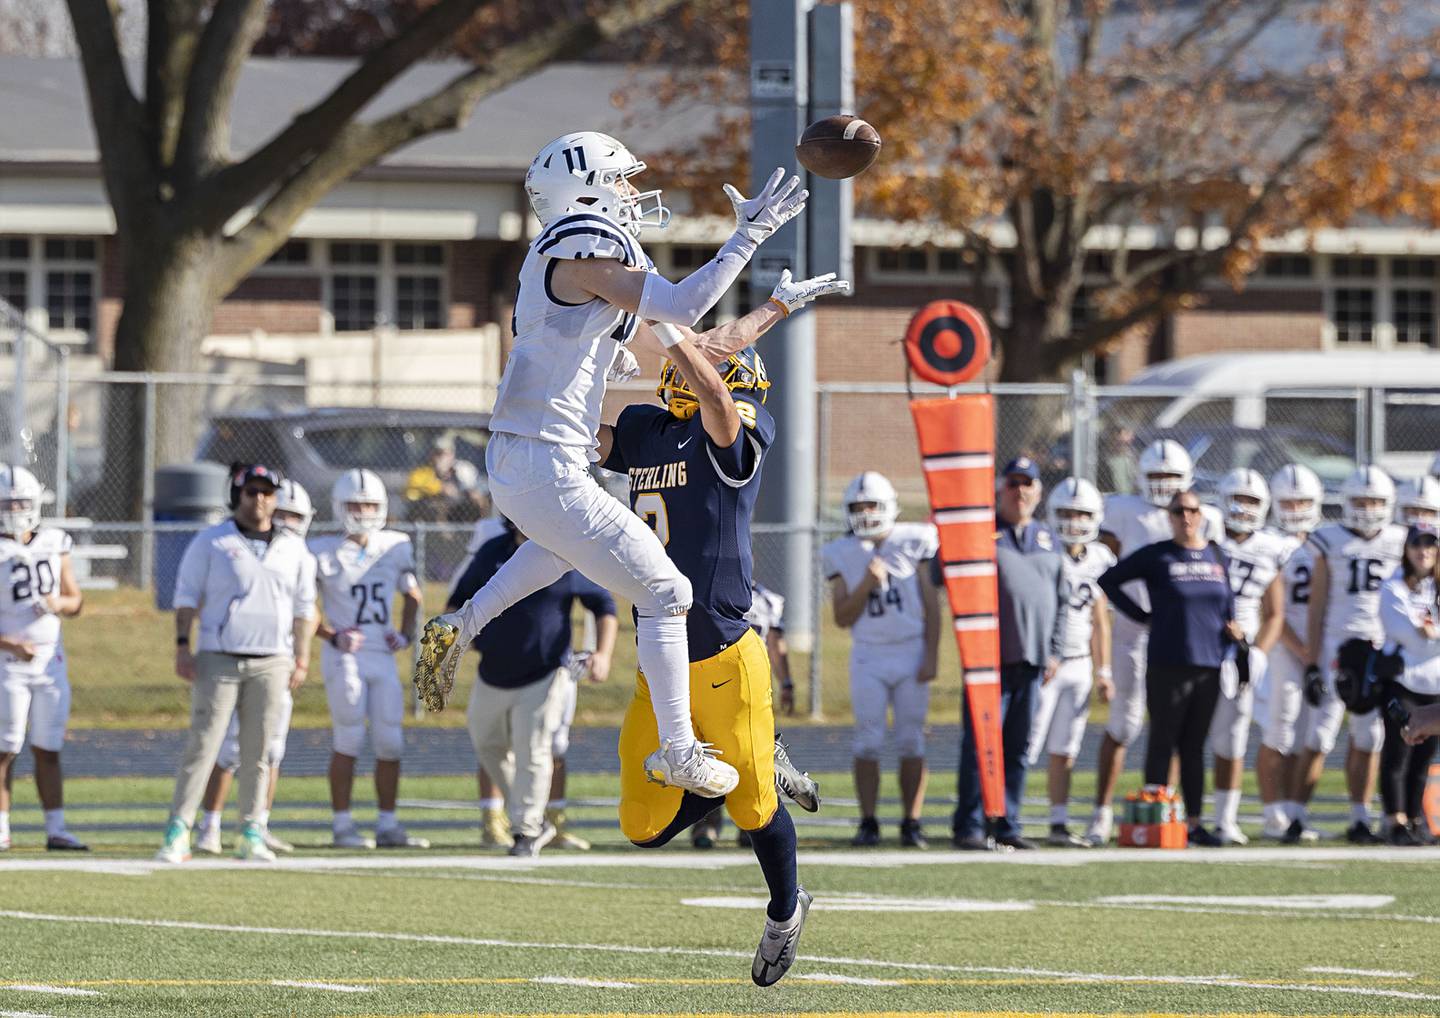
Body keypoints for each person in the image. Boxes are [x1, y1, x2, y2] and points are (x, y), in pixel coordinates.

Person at [415, 130, 846, 803]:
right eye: (620, 181)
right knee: (668, 593)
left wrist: (773, 308)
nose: (630, 195)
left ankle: (460, 623)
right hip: (546, 460)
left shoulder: (570, 265)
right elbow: (680, 309)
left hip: (529, 460)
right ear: (584, 190)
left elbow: (690, 345)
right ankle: (678, 751)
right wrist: (747, 239)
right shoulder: (582, 241)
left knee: (560, 555)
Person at [601, 345, 819, 986]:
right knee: (641, 825)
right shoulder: (644, 426)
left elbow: (724, 407)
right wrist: (568, 359)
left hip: (726, 653)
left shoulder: (743, 420)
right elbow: (579, 439)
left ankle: (785, 910)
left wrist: (676, 335)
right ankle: (748, 762)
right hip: (657, 657)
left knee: (753, 811)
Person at [157, 464, 317, 863]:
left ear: (275, 498)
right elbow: (187, 596)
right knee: (204, 745)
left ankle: (251, 830)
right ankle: (180, 829)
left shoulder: (294, 547)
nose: (259, 499)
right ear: (238, 496)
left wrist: (302, 656)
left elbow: (303, 607)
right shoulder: (213, 541)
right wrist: (182, 645)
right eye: (251, 492)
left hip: (272, 660)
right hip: (220, 656)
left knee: (259, 751)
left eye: (266, 492)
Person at [448, 516, 618, 856]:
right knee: (486, 741)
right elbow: (458, 600)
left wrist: (604, 653)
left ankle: (525, 831)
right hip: (493, 669)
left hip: (545, 670)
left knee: (534, 748)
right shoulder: (492, 550)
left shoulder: (564, 552)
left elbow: (603, 603)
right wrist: (452, 643)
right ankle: (535, 821)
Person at [1086, 439, 1223, 847]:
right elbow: (1105, 565)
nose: (1163, 487)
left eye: (1170, 478)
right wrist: (1137, 614)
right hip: (1134, 637)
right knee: (1124, 725)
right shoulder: (1124, 511)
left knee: (1180, 734)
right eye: (1156, 477)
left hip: (1186, 640)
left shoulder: (1205, 523)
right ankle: (1102, 813)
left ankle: (1171, 812)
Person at [309, 470, 427, 849]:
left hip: (382, 654)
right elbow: (304, 608)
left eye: (370, 505)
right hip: (345, 655)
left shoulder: (395, 545)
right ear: (339, 507)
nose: (362, 512)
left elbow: (414, 595)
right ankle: (342, 824)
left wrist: (406, 633)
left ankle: (387, 824)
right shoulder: (321, 550)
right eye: (355, 505)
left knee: (390, 741)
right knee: (349, 737)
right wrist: (332, 634)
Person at [824, 471, 941, 849]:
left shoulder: (915, 540)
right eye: (858, 506)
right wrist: (867, 585)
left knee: (911, 742)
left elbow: (932, 605)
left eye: (872, 505)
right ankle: (869, 822)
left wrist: (932, 655)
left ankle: (911, 822)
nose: (866, 512)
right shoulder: (840, 551)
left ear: (889, 506)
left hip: (910, 651)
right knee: (868, 742)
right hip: (869, 656)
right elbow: (842, 617)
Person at [954, 457, 1063, 851]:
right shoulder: (982, 533)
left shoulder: (1048, 539)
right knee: (980, 744)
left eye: (1028, 484)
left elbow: (1062, 600)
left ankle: (1007, 823)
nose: (1020, 491)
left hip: (1033, 661)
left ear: (1038, 490)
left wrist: (1055, 651)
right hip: (988, 662)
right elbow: (943, 575)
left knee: (1018, 748)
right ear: (1001, 489)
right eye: (1013, 483)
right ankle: (969, 824)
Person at [1294, 466, 1405, 844]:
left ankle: (1360, 815)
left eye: (1374, 501)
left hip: (1380, 646)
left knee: (1369, 735)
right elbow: (1317, 604)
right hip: (1337, 647)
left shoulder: (1400, 540)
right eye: (1360, 500)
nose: (1367, 508)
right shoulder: (1330, 540)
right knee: (1320, 733)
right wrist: (1311, 659)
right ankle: (1296, 814)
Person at [0, 464, 86, 852]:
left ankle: (56, 828)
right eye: (8, 502)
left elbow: (76, 600)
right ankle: (2, 828)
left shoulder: (55, 541)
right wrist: (10, 645)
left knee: (48, 747)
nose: (16, 509)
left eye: (21, 502)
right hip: (8, 663)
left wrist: (58, 603)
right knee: (5, 748)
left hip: (51, 662)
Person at [1208, 468, 1292, 845]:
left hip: (1241, 653)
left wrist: (1259, 652)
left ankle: (1225, 819)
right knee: (1184, 734)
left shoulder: (1272, 548)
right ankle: (1177, 814)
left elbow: (1275, 613)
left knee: (1234, 737)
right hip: (1198, 645)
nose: (1243, 508)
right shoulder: (1206, 538)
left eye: (1252, 501)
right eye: (1237, 499)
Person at [1028, 477, 1113, 848]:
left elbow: (1100, 621)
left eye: (1081, 514)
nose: (1074, 521)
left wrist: (1103, 670)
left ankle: (1058, 822)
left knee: (1067, 747)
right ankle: (1000, 815)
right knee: (1027, 744)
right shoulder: (1042, 550)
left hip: (1079, 663)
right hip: (1046, 662)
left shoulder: (1101, 558)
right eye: (1066, 513)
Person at [694, 580, 795, 850]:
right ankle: (706, 824)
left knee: (752, 757)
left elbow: (776, 644)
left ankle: (751, 824)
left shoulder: (767, 599)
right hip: (712, 683)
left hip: (753, 686)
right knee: (709, 753)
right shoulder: (707, 587)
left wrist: (786, 683)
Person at [1256, 464, 1326, 840]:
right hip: (1284, 647)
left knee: (1308, 735)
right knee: (1279, 731)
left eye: (1303, 501)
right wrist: (1301, 649)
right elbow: (1272, 611)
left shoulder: (1326, 541)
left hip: (1317, 646)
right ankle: (1272, 812)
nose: (1296, 508)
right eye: (1289, 501)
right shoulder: (1267, 542)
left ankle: (1295, 812)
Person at [1378, 524, 1440, 845]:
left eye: (1431, 545)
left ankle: (1417, 818)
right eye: (1418, 544)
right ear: (1407, 549)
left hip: (1435, 682)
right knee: (1397, 752)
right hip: (1403, 680)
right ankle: (1395, 820)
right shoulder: (1393, 586)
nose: (1424, 551)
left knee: (1424, 757)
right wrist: (1427, 634)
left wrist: (1431, 633)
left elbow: (1428, 635)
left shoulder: (1437, 587)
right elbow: (1406, 633)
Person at [404, 437, 485, 522]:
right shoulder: (425, 471)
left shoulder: (462, 469)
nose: (440, 458)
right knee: (437, 506)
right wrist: (441, 487)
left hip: (460, 505)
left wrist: (459, 493)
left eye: (445, 454)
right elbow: (413, 488)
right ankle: (444, 534)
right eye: (437, 454)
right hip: (434, 507)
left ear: (452, 455)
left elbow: (473, 492)